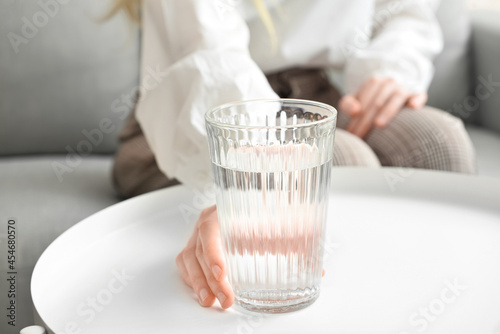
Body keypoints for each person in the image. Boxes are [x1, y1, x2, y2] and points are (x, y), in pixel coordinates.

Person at [110, 0, 476, 309]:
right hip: (193, 108)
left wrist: (390, 68)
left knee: (439, 147)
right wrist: (250, 174)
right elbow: (205, 52)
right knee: (340, 164)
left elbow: (402, 12)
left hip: (314, 93)